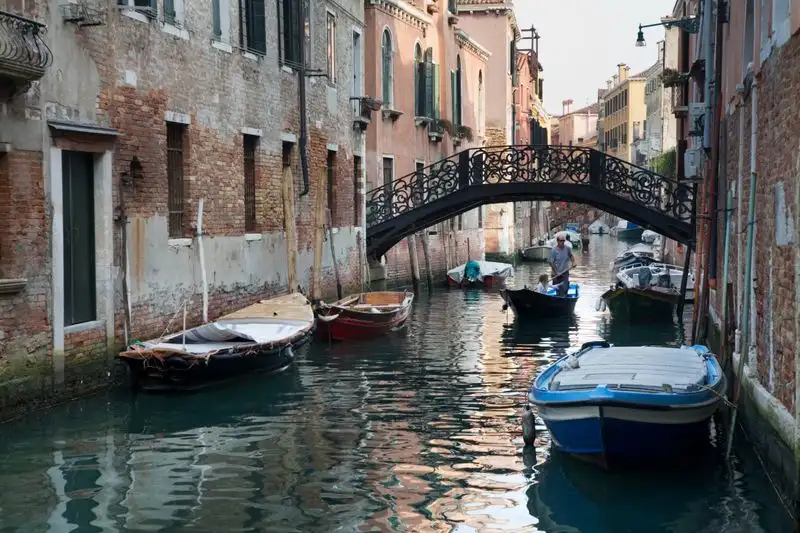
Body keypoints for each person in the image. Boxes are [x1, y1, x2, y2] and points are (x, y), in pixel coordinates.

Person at [549, 233, 577, 297]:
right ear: (557, 241)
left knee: (565, 288)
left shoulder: (567, 248)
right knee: (558, 290)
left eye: (563, 241)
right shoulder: (554, 250)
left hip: (565, 272)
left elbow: (571, 256)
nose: (562, 242)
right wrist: (556, 272)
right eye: (561, 241)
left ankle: (564, 298)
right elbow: (551, 262)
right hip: (556, 273)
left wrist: (573, 262)